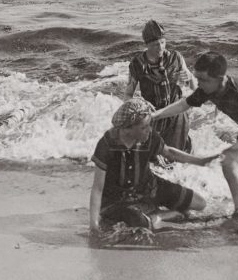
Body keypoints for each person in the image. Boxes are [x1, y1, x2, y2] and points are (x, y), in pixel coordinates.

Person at [151, 52, 238, 223]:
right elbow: (183, 105)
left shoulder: (237, 89)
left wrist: (234, 148)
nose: (198, 83)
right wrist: (156, 115)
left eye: (203, 80)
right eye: (197, 78)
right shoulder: (207, 89)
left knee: (230, 163)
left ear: (220, 78)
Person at [89, 98, 218, 234]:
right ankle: (156, 216)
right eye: (143, 127)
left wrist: (201, 161)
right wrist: (94, 226)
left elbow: (170, 153)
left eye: (149, 125)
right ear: (128, 129)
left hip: (150, 188)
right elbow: (97, 188)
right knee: (140, 223)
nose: (149, 130)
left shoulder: (149, 137)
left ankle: (158, 215)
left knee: (200, 203)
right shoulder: (107, 144)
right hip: (117, 199)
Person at [124, 20, 198, 153]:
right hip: (153, 115)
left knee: (176, 156)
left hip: (176, 113)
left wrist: (190, 78)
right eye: (155, 45)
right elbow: (128, 94)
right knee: (154, 154)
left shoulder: (176, 58)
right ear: (147, 45)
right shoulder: (137, 65)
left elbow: (195, 89)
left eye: (162, 43)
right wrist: (134, 109)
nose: (160, 48)